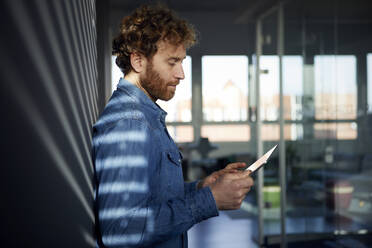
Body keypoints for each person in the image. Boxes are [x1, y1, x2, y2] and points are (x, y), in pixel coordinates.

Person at [92, 4, 254, 248]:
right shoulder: (130, 124)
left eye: (182, 62)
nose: (181, 74)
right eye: (172, 62)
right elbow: (120, 230)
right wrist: (209, 201)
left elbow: (154, 199)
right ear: (138, 60)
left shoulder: (145, 116)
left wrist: (201, 188)